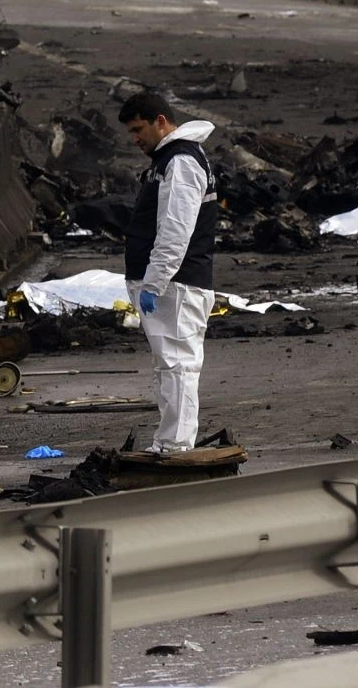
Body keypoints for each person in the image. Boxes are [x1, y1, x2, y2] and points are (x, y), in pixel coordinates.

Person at [118, 92, 218, 455]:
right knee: (170, 365)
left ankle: (176, 445)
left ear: (161, 121)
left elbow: (175, 230)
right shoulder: (171, 160)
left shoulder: (181, 162)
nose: (135, 139)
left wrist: (155, 282)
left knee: (177, 365)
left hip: (176, 284)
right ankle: (168, 441)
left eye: (138, 129)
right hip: (172, 284)